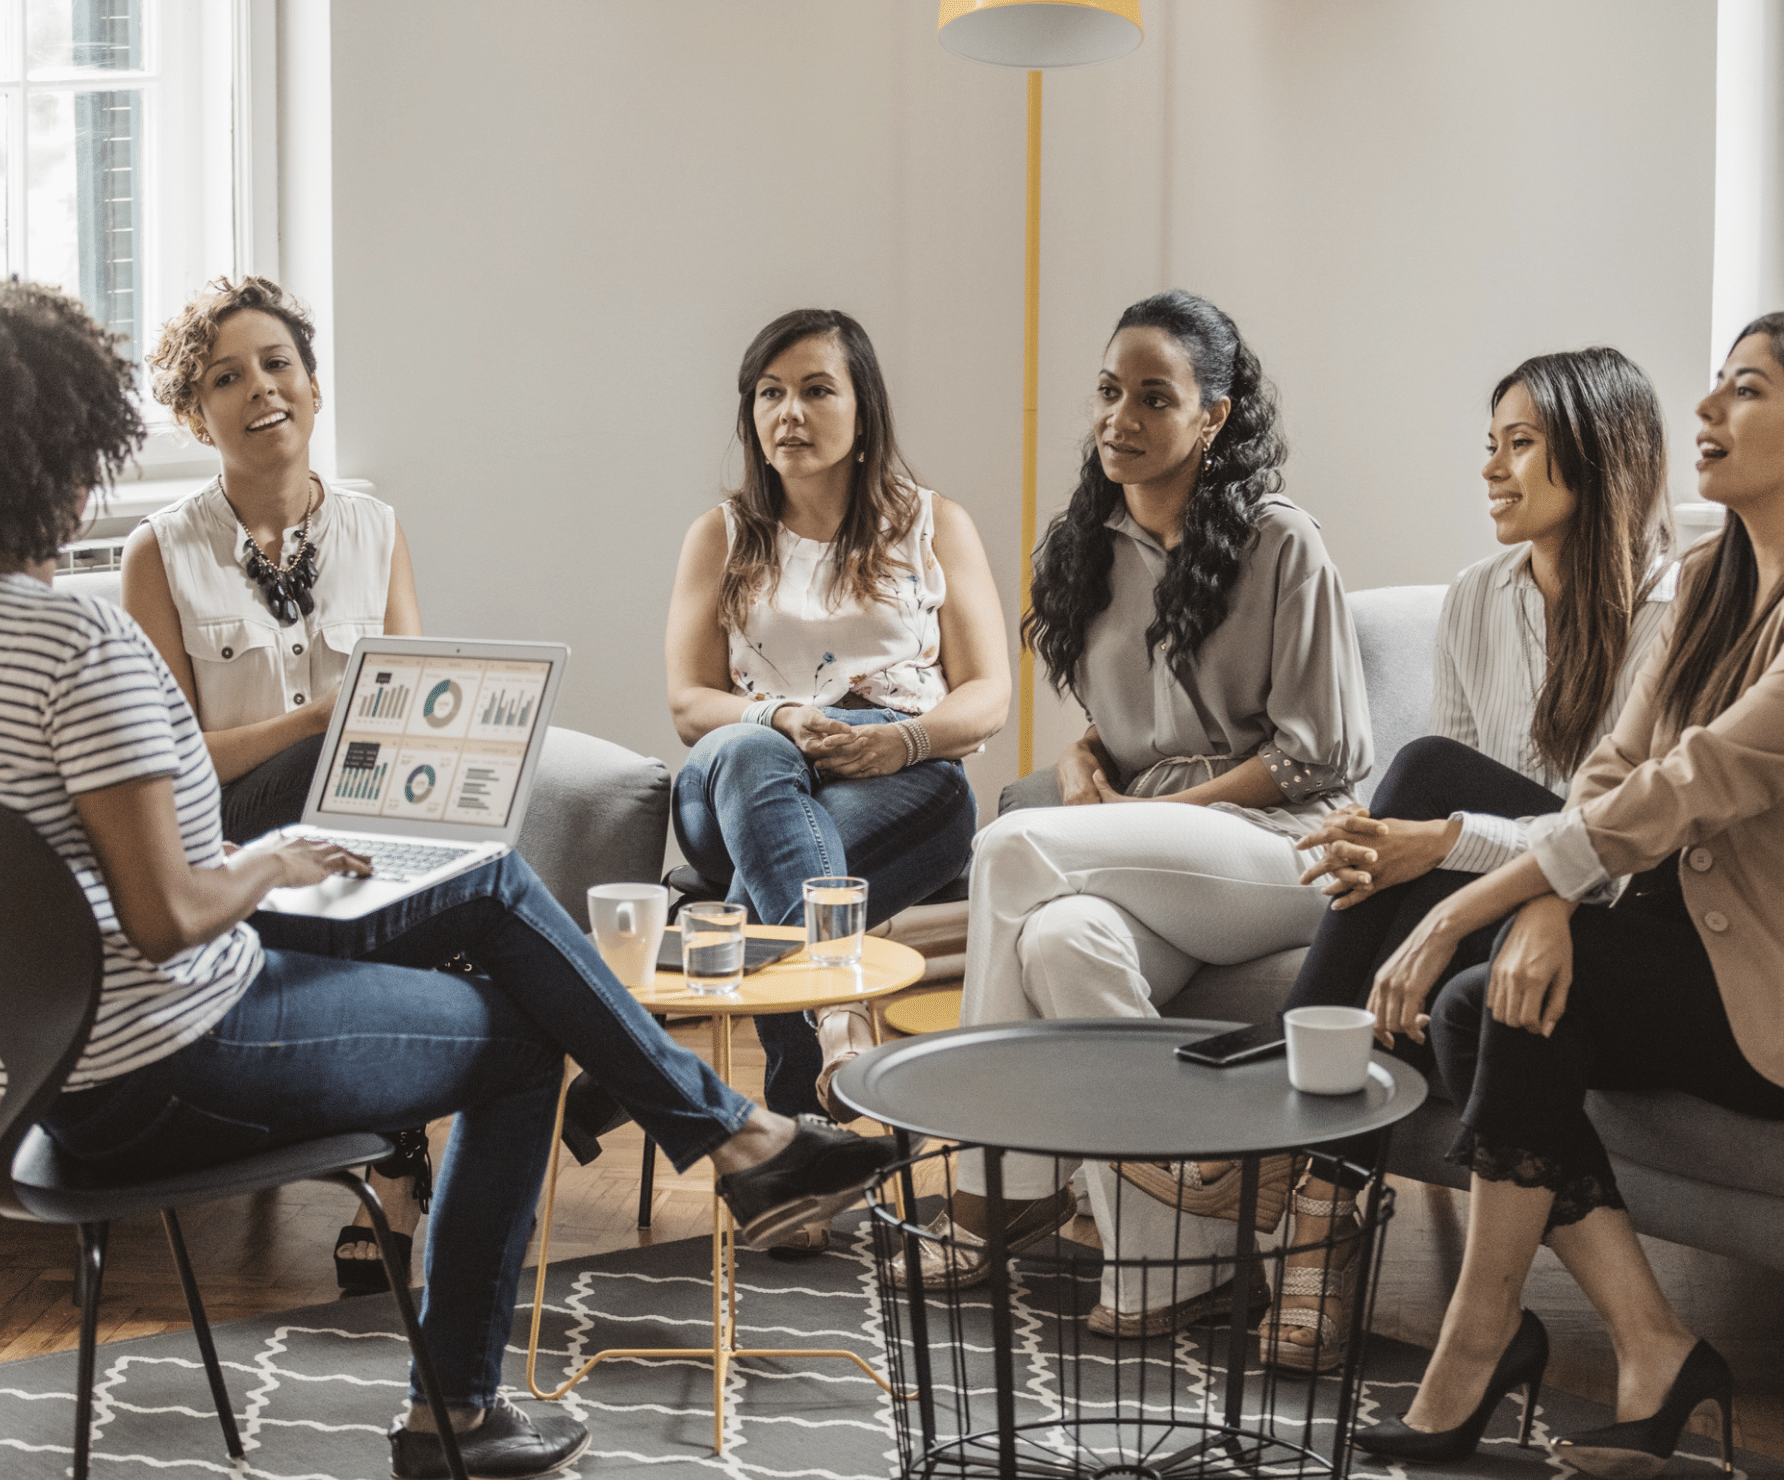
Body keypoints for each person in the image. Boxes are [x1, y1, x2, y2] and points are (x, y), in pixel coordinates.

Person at [0, 279, 895, 1480]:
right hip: (167, 1059)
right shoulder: (80, 640)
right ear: (72, 447)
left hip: (50, 1080)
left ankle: (735, 1136)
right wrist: (265, 861)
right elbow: (163, 916)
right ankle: (466, 1402)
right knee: (520, 1031)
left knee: (481, 887)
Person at [1352, 316, 1784, 1473]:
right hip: (1672, 939)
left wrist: (1466, 903)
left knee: (1507, 979)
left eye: (1741, 390)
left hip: (1769, 997)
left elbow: (1696, 780)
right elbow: (1609, 769)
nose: (1703, 413)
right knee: (1475, 1007)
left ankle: (1474, 1342)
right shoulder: (1708, 580)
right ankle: (1649, 1341)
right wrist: (1543, 901)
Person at [929, 290, 1371, 1332]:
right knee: (1060, 939)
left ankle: (997, 1184)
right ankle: (1176, 1264)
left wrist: (1141, 804)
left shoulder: (1279, 545)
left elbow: (1320, 752)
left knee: (1013, 844)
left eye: (1152, 397)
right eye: (1106, 391)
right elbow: (1107, 732)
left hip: (1283, 850)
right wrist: (1090, 774)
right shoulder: (1086, 547)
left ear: (1211, 416)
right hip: (1146, 854)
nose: (1118, 417)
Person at [1256, 348, 1675, 1372]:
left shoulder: (1670, 610)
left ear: (1596, 452)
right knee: (1409, 806)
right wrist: (1415, 845)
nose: (1491, 468)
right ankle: (1316, 1192)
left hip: (1618, 904)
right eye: (1488, 445)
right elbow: (1450, 804)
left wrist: (1439, 842)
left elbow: (1619, 836)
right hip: (1510, 894)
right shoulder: (1477, 595)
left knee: (1423, 777)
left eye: (1520, 444)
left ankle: (1290, 1153)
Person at [122, 277, 425, 1294]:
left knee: (417, 832)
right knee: (319, 768)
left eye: (277, 364)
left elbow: (413, 709)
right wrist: (308, 724)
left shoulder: (378, 531)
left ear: (313, 386)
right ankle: (405, 1155)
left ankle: (393, 1172)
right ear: (193, 414)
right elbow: (167, 764)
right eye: (225, 376)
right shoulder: (157, 552)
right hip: (231, 829)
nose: (260, 389)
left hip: (364, 817)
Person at [664, 308, 1008, 1200]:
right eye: (770, 393)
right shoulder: (724, 534)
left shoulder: (934, 524)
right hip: (741, 769)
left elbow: (988, 696)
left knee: (771, 889)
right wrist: (778, 716)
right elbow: (689, 700)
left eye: (817, 390)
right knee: (747, 758)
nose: (790, 412)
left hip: (898, 775)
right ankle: (841, 1017)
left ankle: (788, 1155)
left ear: (864, 412)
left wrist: (901, 740)